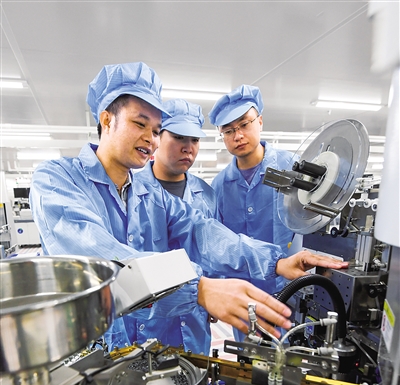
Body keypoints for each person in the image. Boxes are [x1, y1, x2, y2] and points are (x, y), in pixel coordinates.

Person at [29, 62, 347, 353]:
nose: (151, 140)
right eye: (140, 124)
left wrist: (277, 261)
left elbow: (202, 233)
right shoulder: (57, 179)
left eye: (156, 130)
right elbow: (100, 260)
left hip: (147, 353)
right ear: (107, 119)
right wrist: (199, 289)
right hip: (91, 355)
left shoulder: (150, 195)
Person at [209, 85, 297, 340]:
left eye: (244, 125)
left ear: (259, 122)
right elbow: (216, 242)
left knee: (292, 354)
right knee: (249, 358)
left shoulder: (291, 168)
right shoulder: (220, 186)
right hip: (244, 297)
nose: (238, 135)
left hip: (289, 291)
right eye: (228, 131)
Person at [132, 98, 216, 353]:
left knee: (196, 374)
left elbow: (214, 248)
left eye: (195, 140)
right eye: (179, 137)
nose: (188, 148)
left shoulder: (206, 194)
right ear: (157, 137)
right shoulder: (131, 191)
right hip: (148, 321)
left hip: (194, 318)